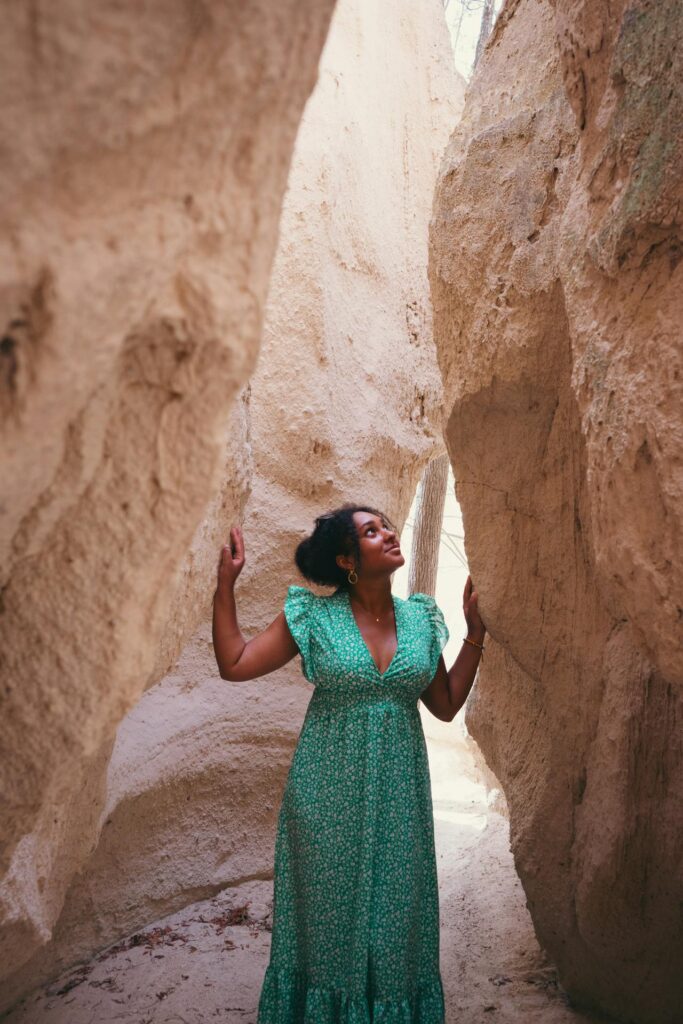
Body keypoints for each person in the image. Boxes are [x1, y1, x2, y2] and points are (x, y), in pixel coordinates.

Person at [212, 503, 487, 1023]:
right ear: (346, 560)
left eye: (385, 525)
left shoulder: (421, 619)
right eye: (370, 531)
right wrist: (226, 584)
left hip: (401, 801)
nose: (386, 533)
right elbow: (235, 663)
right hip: (325, 801)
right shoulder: (313, 616)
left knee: (394, 926)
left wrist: (474, 633)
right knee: (330, 928)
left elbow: (446, 704)